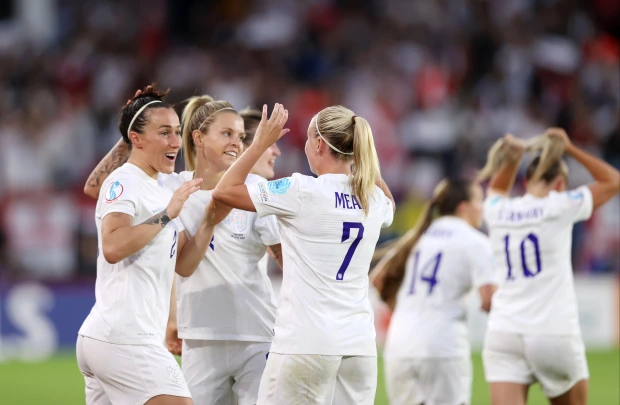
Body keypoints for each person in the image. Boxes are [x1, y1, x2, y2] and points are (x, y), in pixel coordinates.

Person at [84, 95, 283, 405]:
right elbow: (98, 186)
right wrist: (134, 127)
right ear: (199, 138)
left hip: (255, 333)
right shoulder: (172, 187)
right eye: (227, 134)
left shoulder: (254, 192)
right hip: (199, 337)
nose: (237, 143)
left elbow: (284, 259)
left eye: (242, 137)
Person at [212, 104, 396, 405]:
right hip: (359, 345)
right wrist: (364, 161)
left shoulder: (301, 191)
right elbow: (390, 205)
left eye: (309, 139)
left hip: (306, 341)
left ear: (320, 144)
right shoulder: (372, 198)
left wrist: (258, 143)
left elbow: (224, 190)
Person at [77, 85, 230, 405]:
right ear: (136, 139)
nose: (176, 141)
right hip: (126, 338)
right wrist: (166, 216)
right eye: (164, 132)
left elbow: (184, 265)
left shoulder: (160, 189)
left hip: (122, 339)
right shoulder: (124, 181)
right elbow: (113, 246)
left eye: (177, 131)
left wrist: (208, 223)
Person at [479, 129, 620, 405]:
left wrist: (512, 159)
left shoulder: (498, 209)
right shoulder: (559, 205)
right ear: (559, 184)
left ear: (527, 179)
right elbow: (613, 181)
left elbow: (496, 188)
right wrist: (570, 148)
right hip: (552, 332)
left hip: (504, 332)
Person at [370, 178, 497, 405]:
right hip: (441, 347)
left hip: (400, 344)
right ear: (463, 207)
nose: (483, 207)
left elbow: (378, 279)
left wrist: (410, 310)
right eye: (479, 200)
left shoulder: (418, 237)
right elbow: (489, 300)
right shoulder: (476, 242)